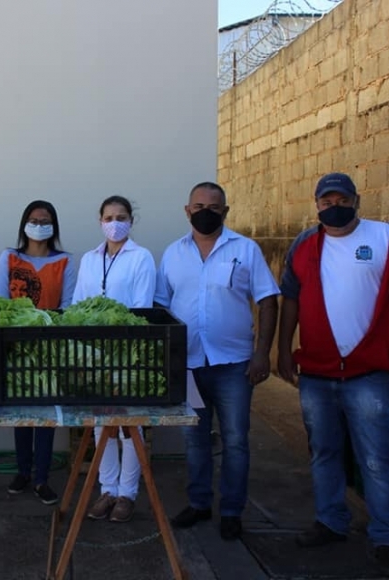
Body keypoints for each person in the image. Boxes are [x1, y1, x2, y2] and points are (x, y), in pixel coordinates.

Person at [155, 181, 278, 540]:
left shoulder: (245, 249)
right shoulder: (173, 253)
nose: (205, 213)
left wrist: (262, 353)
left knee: (236, 439)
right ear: (187, 211)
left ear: (225, 211)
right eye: (198, 207)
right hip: (189, 365)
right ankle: (199, 503)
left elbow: (268, 300)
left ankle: (231, 510)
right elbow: (161, 305)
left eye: (213, 207)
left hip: (234, 367)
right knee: (195, 439)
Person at [277, 172, 389, 568]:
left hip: (368, 372)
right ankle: (330, 521)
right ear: (317, 205)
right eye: (327, 202)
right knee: (324, 451)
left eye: (342, 201)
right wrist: (283, 350)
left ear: (357, 201)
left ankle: (384, 533)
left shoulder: (382, 238)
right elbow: (290, 299)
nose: (334, 208)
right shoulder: (305, 244)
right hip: (318, 372)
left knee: (375, 456)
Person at [73, 195, 156, 523]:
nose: (115, 223)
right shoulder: (90, 259)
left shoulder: (141, 257)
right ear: (100, 221)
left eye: (121, 217)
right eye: (109, 218)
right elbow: (78, 303)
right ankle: (107, 489)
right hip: (94, 354)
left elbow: (142, 307)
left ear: (131, 221)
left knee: (128, 425)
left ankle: (127, 494)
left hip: (128, 351)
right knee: (101, 422)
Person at [0, 200, 77, 505]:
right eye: (34, 220)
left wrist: (45, 326)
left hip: (49, 346)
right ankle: (22, 471)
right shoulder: (9, 257)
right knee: (20, 411)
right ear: (24, 224)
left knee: (45, 413)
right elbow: (0, 301)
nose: (39, 225)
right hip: (16, 345)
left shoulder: (65, 261)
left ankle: (42, 477)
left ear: (54, 226)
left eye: (45, 220)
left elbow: (68, 305)